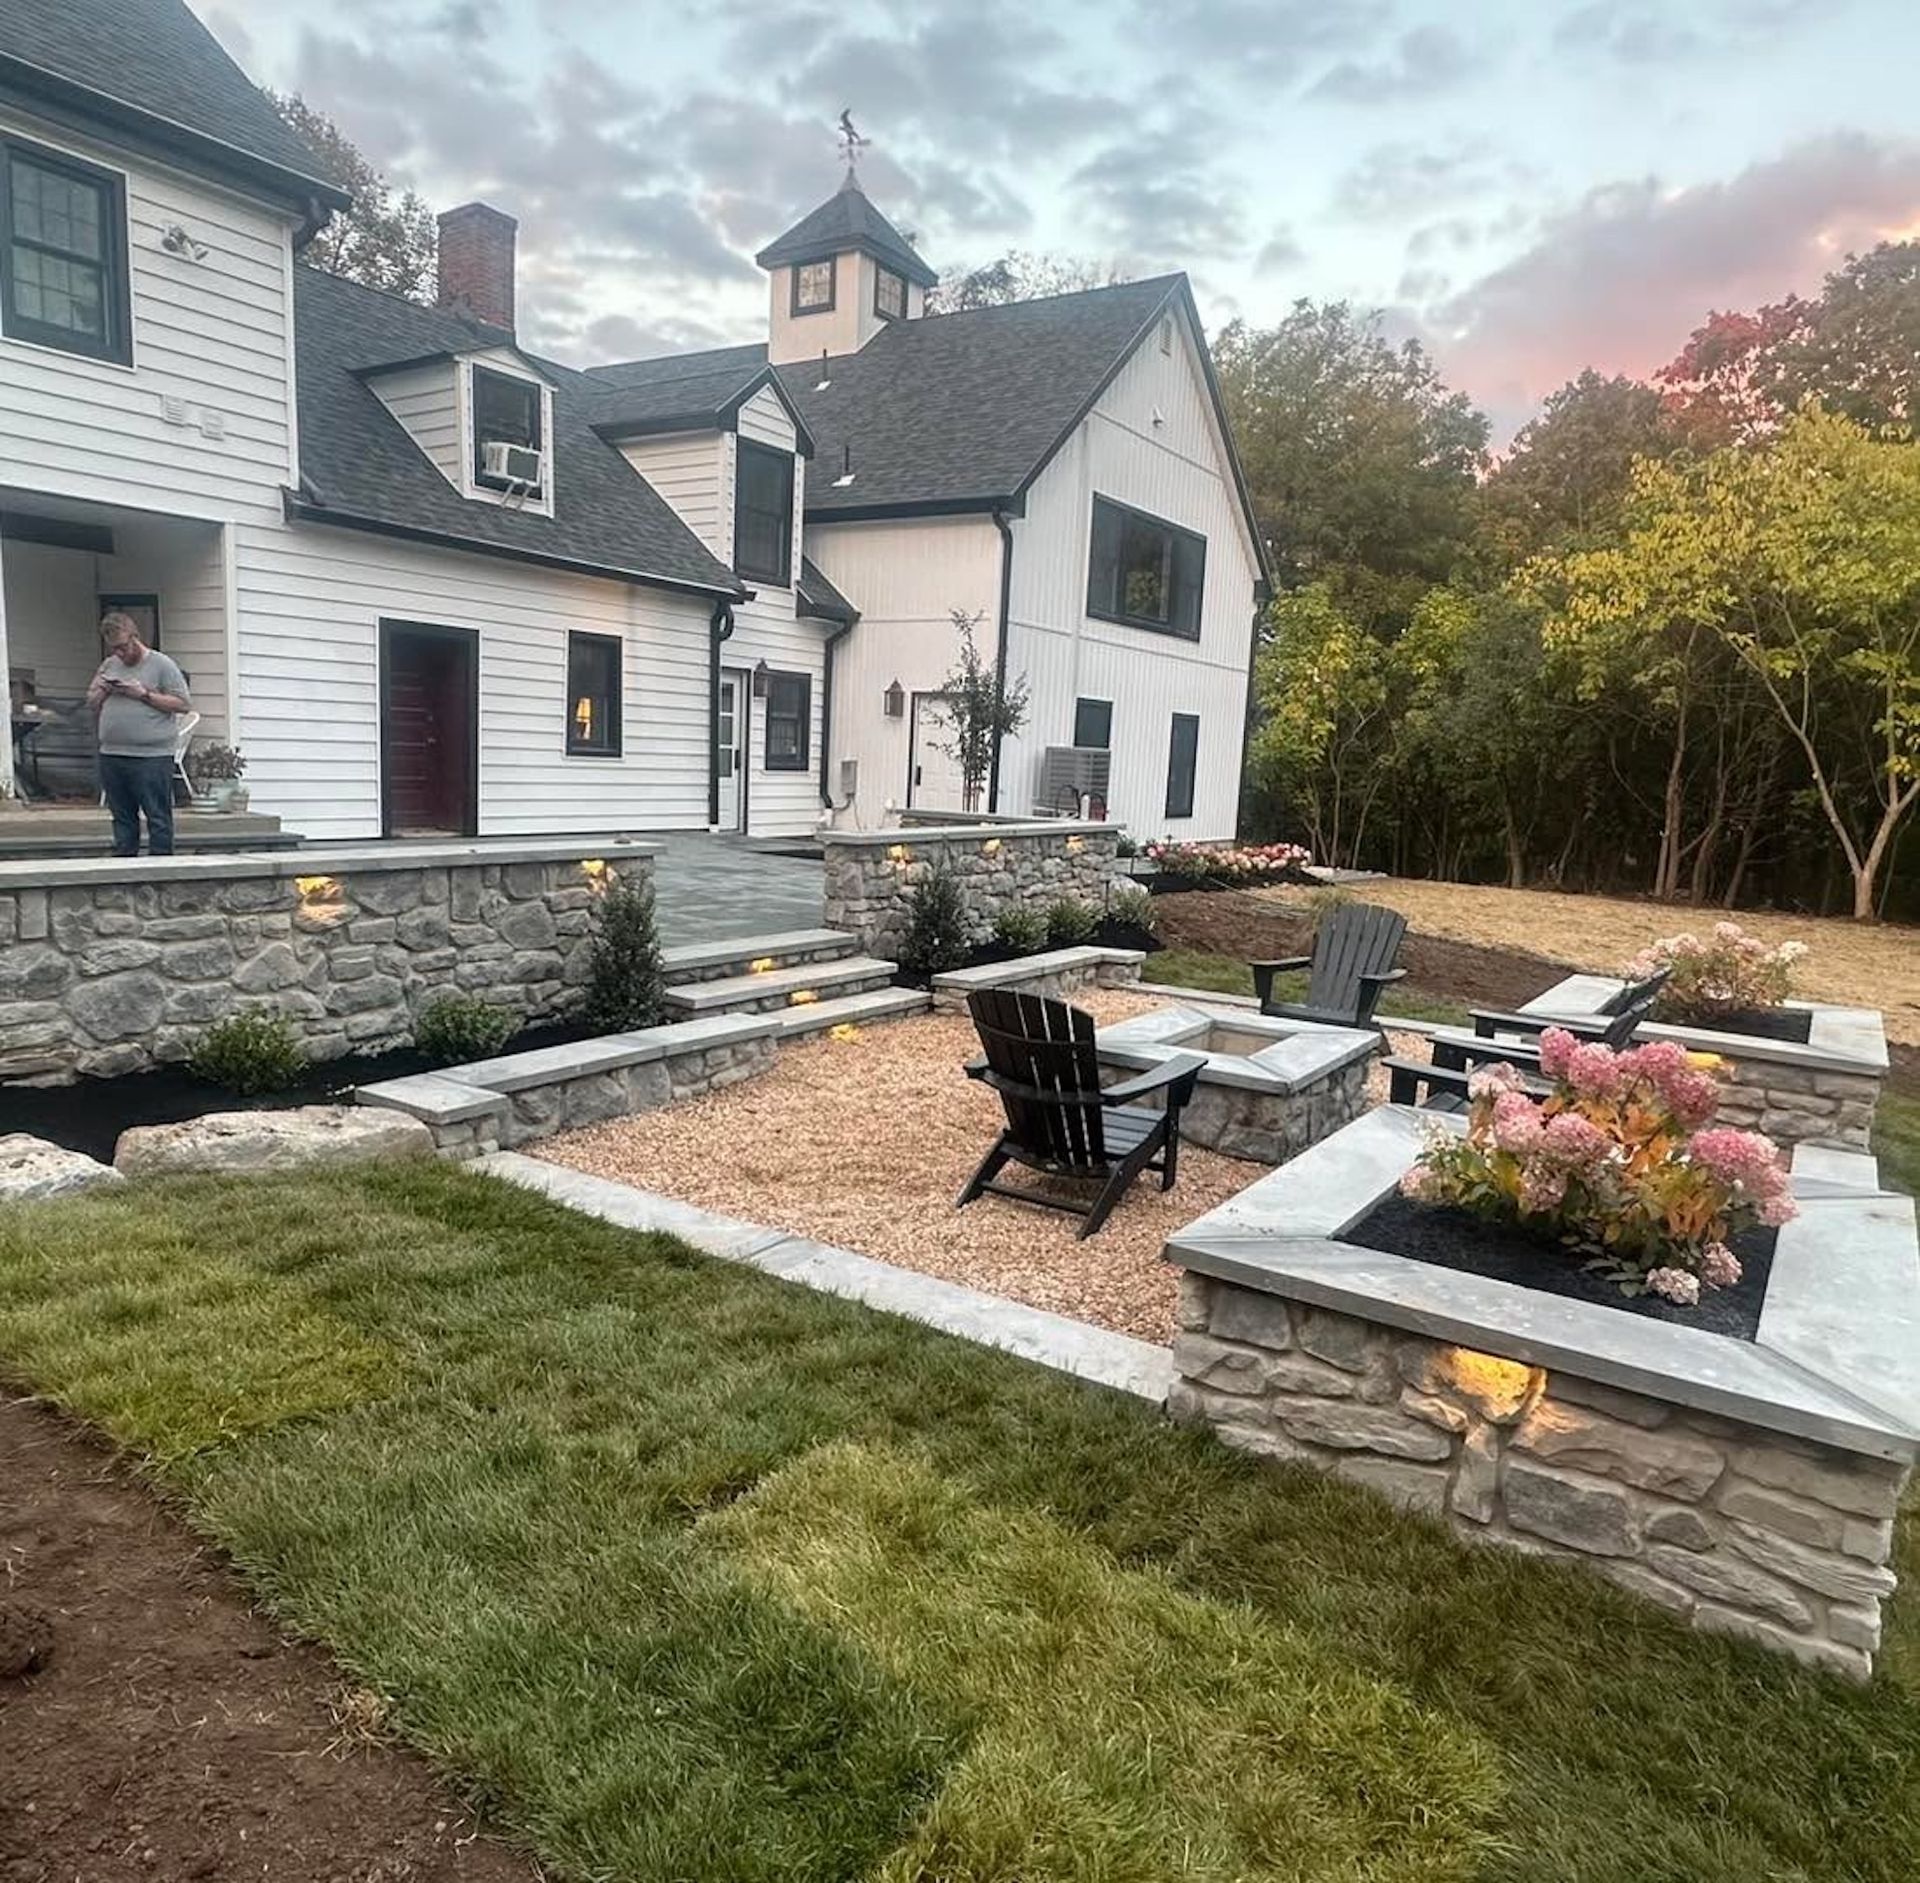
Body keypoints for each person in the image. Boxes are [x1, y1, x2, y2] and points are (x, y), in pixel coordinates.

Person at [87, 612, 191, 857]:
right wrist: (102, 690)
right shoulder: (109, 665)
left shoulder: (162, 665)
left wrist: (142, 694)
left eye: (123, 647)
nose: (120, 654)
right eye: (114, 649)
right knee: (122, 816)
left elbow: (182, 704)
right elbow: (91, 701)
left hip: (151, 756)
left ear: (135, 637)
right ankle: (125, 863)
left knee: (157, 815)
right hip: (112, 753)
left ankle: (161, 866)